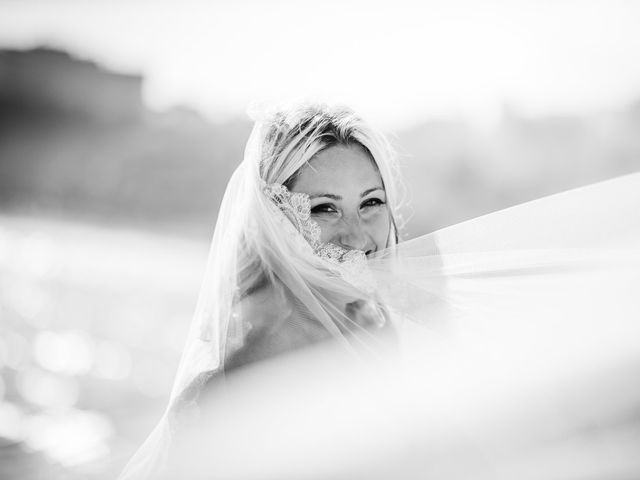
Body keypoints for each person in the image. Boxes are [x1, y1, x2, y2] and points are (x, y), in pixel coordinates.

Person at [119, 102, 640, 480]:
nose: (356, 234)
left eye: (370, 203)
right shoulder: (267, 346)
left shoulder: (374, 315)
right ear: (275, 218)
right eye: (323, 209)